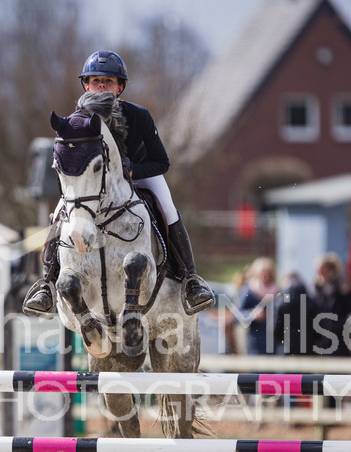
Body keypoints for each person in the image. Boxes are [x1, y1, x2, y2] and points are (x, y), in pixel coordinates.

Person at [22, 49, 215, 319]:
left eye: (109, 81)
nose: (102, 85)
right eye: (96, 80)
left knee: (168, 208)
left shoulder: (139, 116)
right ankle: (46, 284)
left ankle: (191, 280)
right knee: (59, 214)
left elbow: (162, 162)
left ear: (120, 87)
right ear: (86, 85)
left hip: (138, 175)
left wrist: (132, 170)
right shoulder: (76, 122)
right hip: (91, 188)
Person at [312, 252, 351, 356]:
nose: (319, 273)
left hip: (340, 338)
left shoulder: (342, 288)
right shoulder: (318, 289)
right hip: (322, 338)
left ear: (330, 269)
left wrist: (338, 327)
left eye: (321, 270)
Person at [238, 257, 279, 355]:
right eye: (263, 272)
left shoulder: (278, 291)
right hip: (255, 342)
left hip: (275, 341)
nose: (266, 276)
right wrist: (252, 314)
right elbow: (237, 315)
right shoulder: (249, 291)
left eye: (268, 272)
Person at [274, 272, 316, 356]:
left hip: (285, 347)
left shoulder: (280, 302)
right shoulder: (310, 301)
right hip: (307, 346)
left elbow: (276, 328)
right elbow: (316, 327)